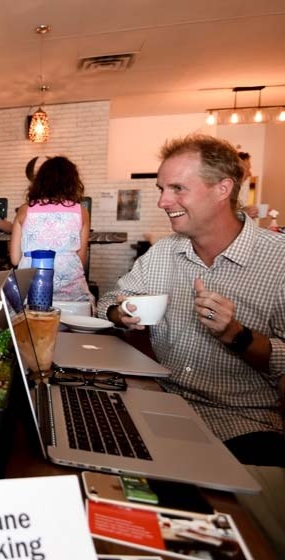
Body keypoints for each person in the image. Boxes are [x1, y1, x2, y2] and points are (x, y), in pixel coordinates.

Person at [97, 134, 285, 467]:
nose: (163, 202)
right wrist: (121, 311)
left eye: (177, 189)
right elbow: (109, 301)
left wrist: (238, 336)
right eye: (161, 189)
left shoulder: (278, 262)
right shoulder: (163, 253)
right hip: (160, 406)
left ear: (222, 189)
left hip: (242, 425)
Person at [10, 156, 93, 305]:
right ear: (73, 182)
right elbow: (80, 260)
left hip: (31, 293)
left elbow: (15, 259)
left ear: (39, 181)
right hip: (71, 295)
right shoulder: (81, 212)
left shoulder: (24, 210)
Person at [237, 151, 260, 219]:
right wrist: (243, 212)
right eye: (246, 169)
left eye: (249, 169)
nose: (250, 173)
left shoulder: (250, 184)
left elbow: (247, 206)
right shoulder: (225, 190)